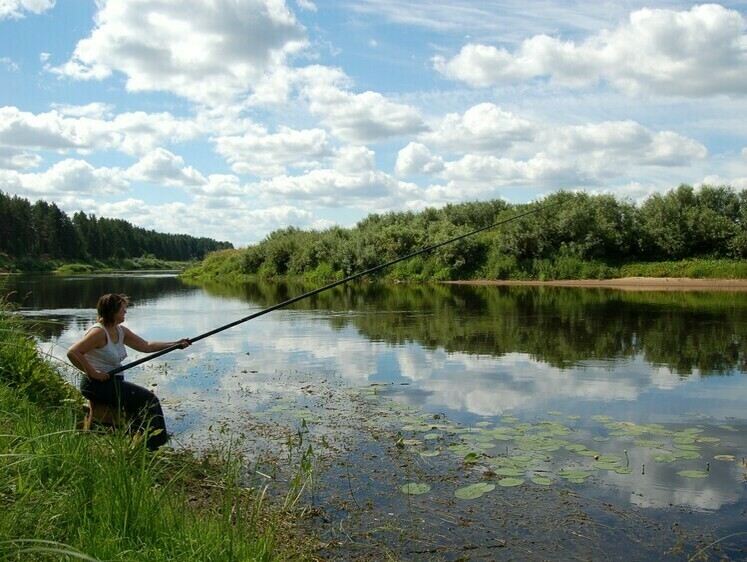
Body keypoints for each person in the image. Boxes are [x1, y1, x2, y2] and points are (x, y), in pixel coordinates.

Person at [67, 293, 190, 450]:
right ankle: (153, 445)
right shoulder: (98, 332)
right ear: (112, 311)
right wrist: (93, 373)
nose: (125, 311)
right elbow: (73, 352)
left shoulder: (120, 331)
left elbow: (146, 345)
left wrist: (175, 344)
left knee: (141, 403)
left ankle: (141, 442)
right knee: (149, 400)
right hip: (96, 385)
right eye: (122, 309)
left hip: (113, 383)